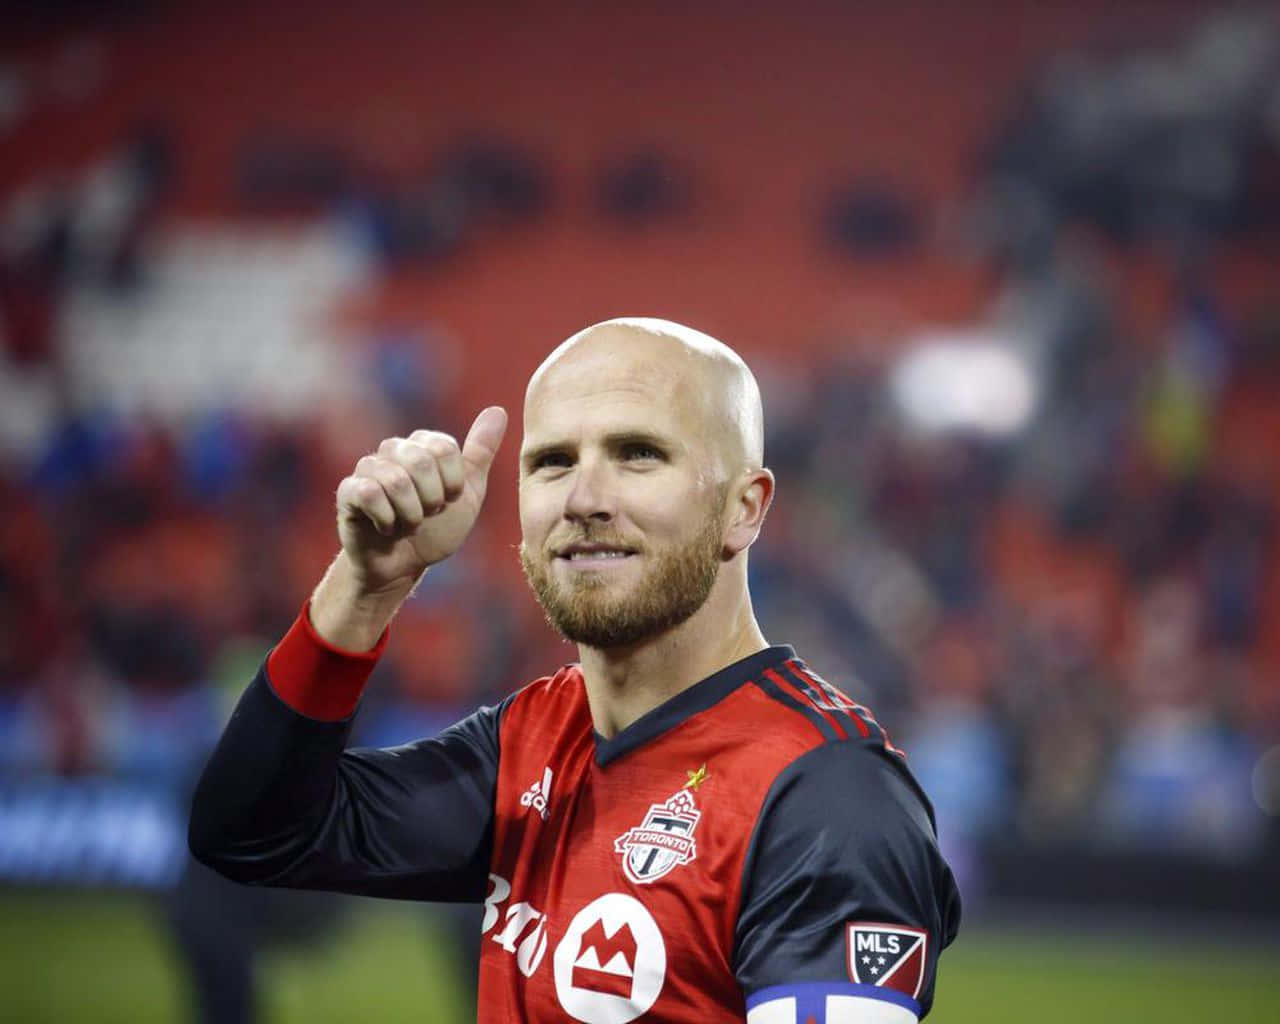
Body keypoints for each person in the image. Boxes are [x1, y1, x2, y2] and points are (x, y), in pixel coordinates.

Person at [189, 317, 961, 1023]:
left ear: (745, 508)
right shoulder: (528, 740)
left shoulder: (825, 795)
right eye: (553, 462)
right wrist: (365, 589)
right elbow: (253, 834)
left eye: (638, 454)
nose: (585, 498)